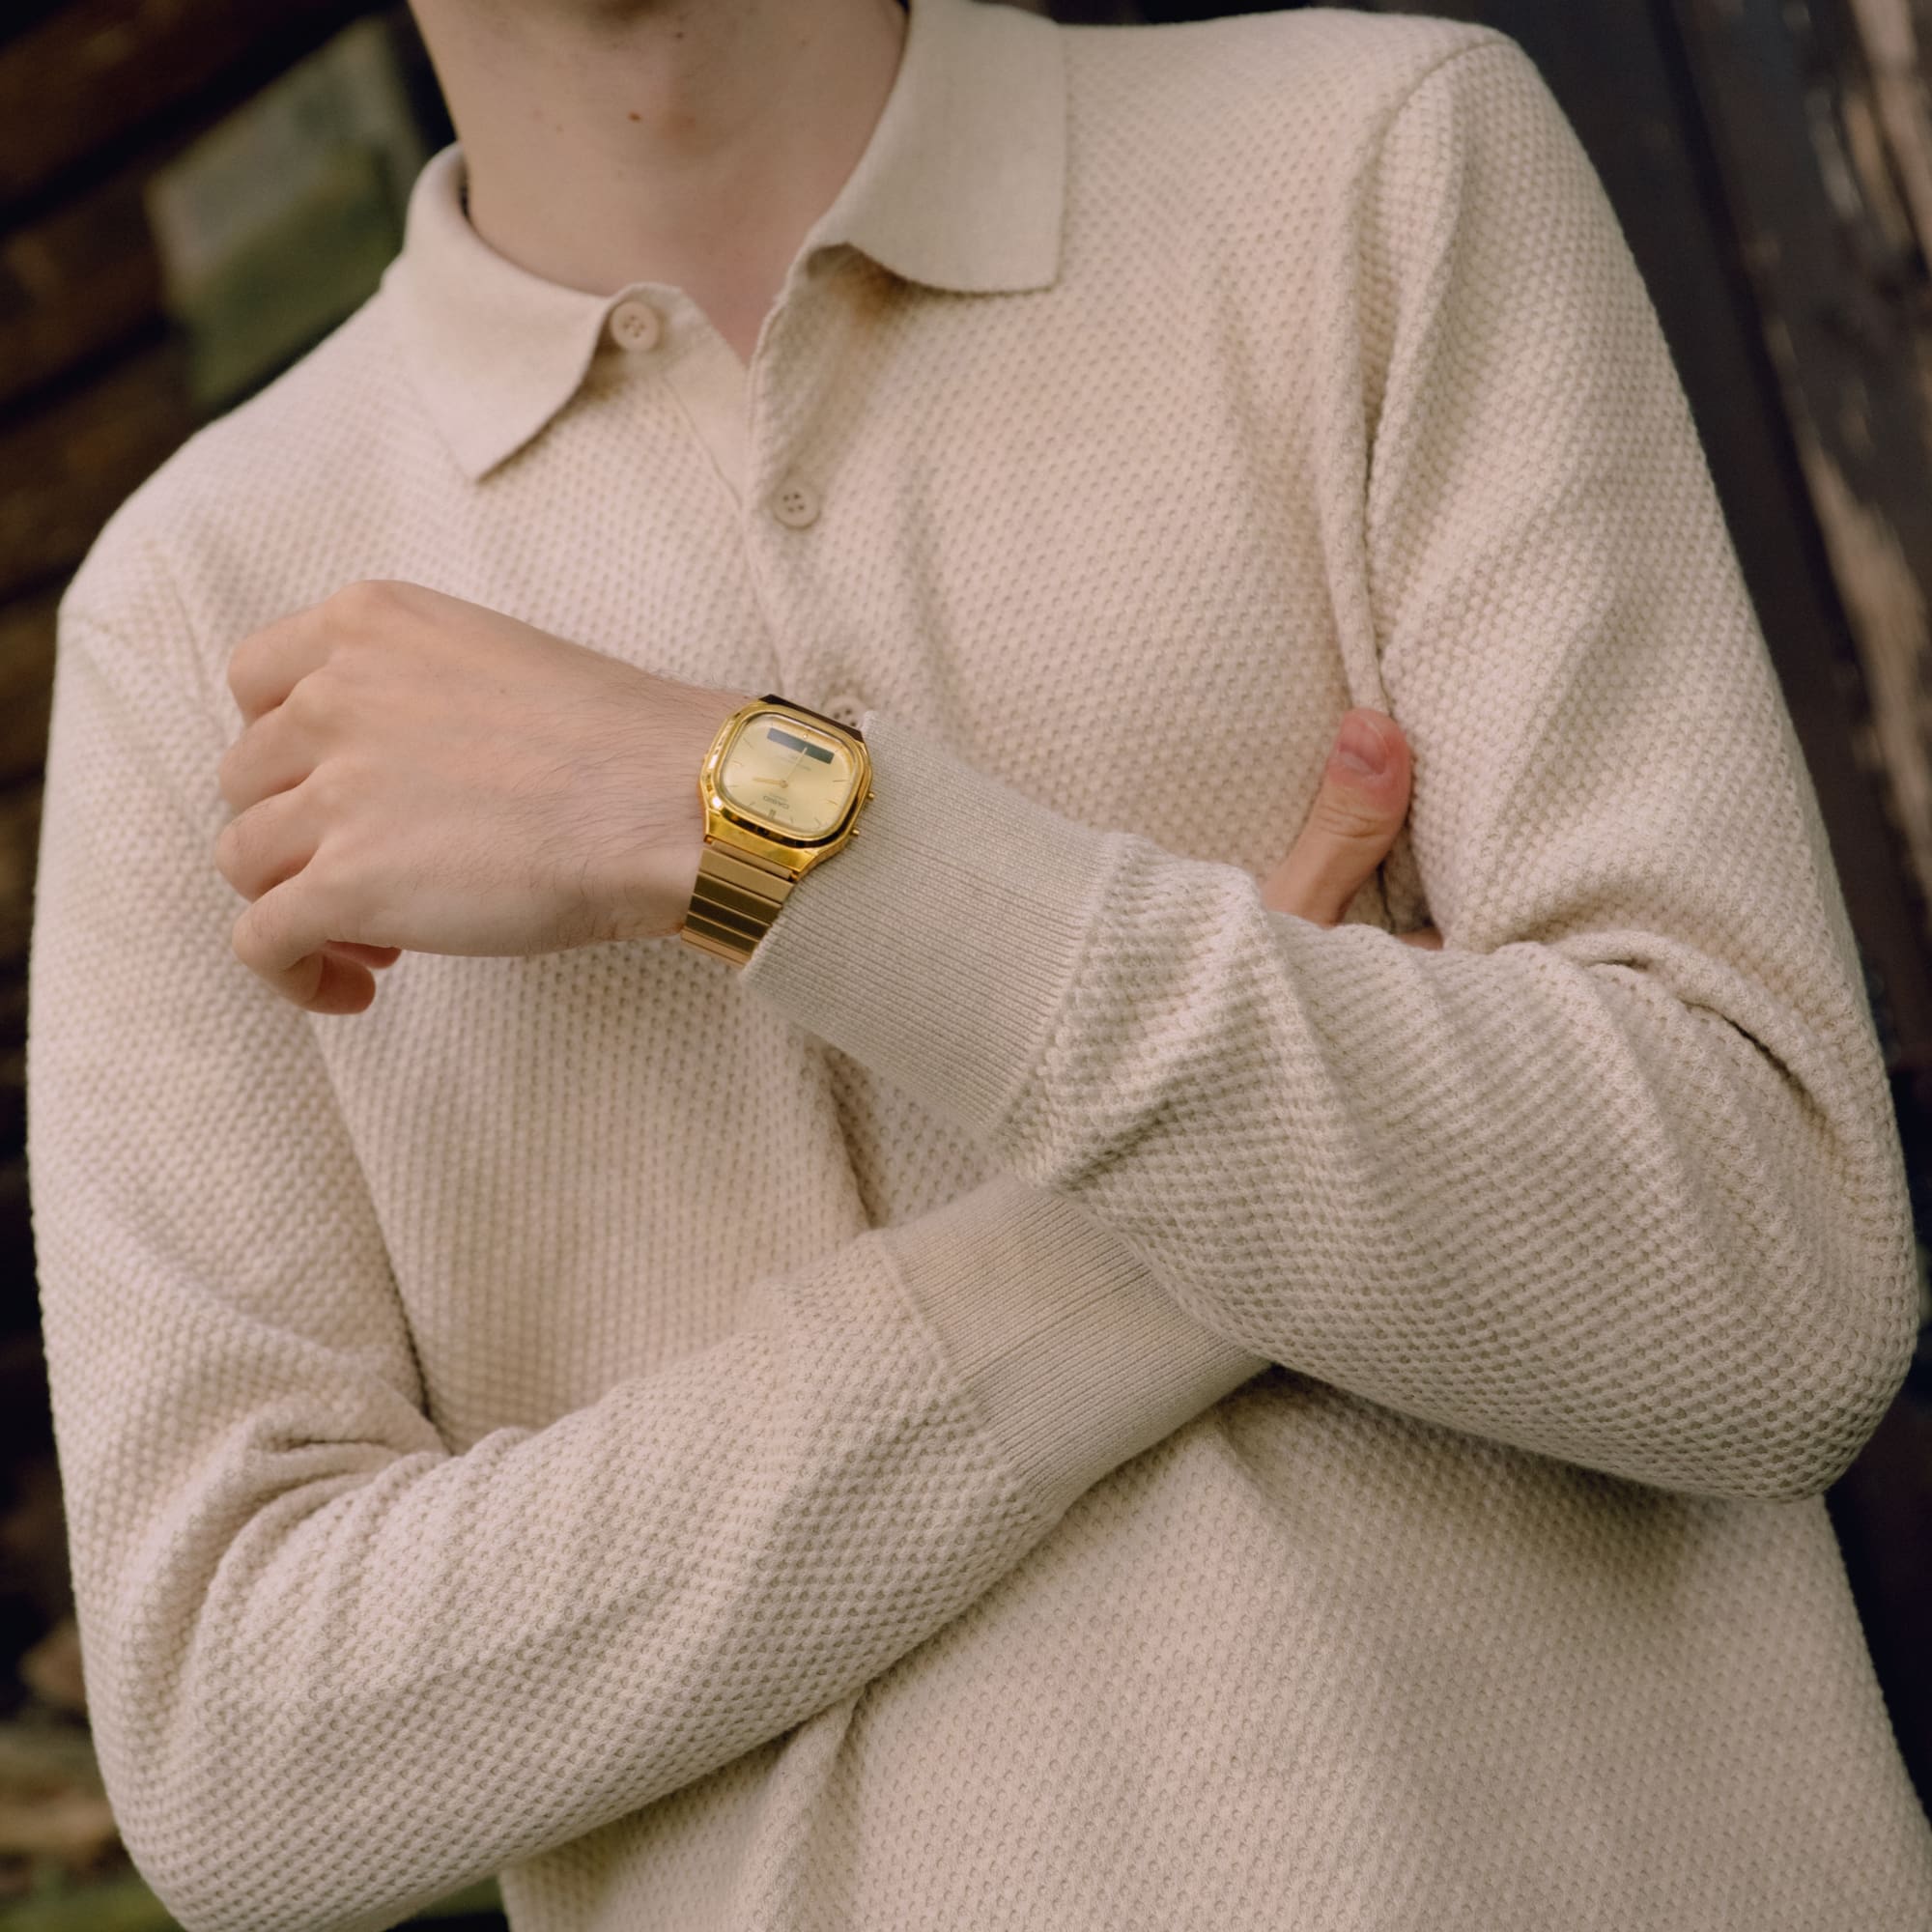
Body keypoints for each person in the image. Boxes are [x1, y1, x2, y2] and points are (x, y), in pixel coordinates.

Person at [25, 0, 1932, 1924]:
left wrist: (747, 821)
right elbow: (239, 1747)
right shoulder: (203, 619)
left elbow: (1775, 1272)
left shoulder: (1371, 160)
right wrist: (1122, 1247)